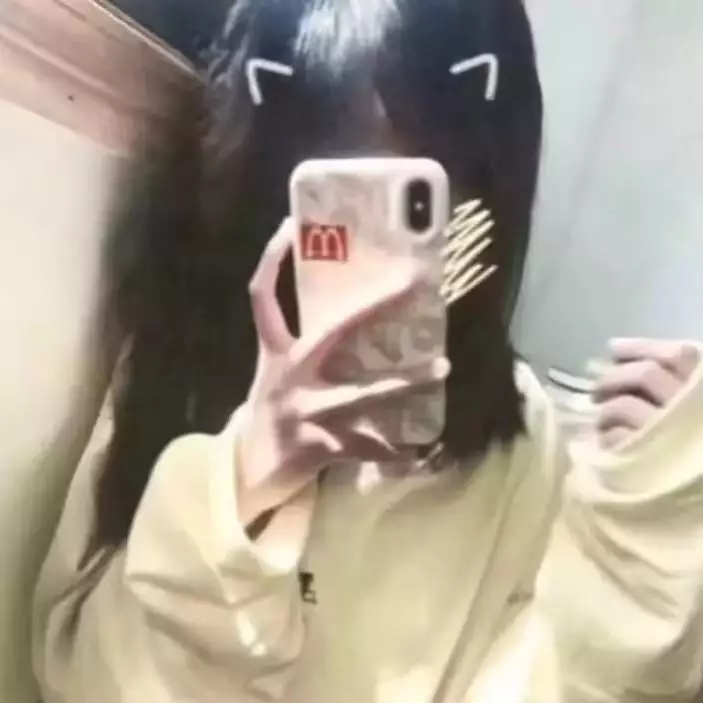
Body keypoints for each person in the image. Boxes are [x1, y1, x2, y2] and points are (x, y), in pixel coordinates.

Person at [32, 1, 703, 701]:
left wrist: (643, 547)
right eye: (343, 174)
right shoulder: (184, 362)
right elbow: (84, 684)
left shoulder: (522, 445)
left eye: (426, 189)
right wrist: (245, 481)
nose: (382, 249)